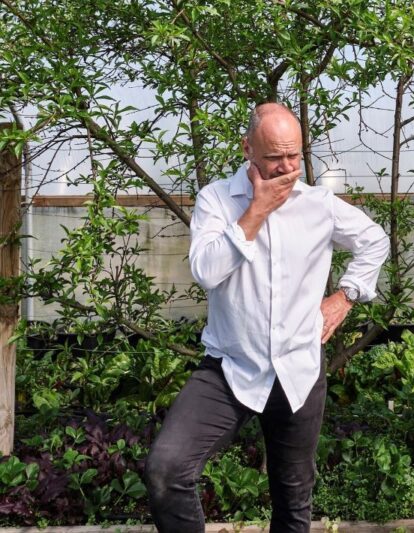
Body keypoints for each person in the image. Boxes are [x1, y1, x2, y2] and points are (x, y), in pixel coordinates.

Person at [145, 102, 389, 532]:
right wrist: (255, 211)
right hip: (229, 368)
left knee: (293, 504)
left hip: (298, 369)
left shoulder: (319, 204)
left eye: (293, 155)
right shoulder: (217, 200)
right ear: (247, 149)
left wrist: (345, 296)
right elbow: (205, 271)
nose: (286, 167)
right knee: (167, 469)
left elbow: (374, 239)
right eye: (274, 156)